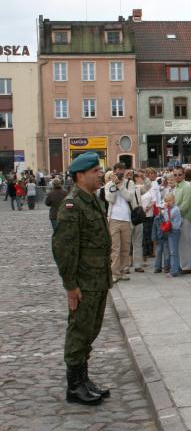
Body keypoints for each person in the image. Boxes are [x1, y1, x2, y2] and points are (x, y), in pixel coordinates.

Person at [51, 152, 111, 406]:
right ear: (80, 175)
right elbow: (64, 249)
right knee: (79, 331)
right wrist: (71, 286)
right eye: (95, 171)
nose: (100, 174)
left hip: (98, 278)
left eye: (99, 170)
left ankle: (84, 379)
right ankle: (74, 386)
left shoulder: (92, 200)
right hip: (84, 281)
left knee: (91, 329)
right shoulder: (72, 204)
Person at [104, 163, 135, 283]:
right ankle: (115, 273)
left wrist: (120, 185)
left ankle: (122, 271)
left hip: (126, 219)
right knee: (115, 248)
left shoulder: (129, 183)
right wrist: (114, 184)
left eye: (122, 170)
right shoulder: (109, 184)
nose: (120, 173)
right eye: (118, 171)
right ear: (114, 172)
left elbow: (129, 197)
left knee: (125, 247)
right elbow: (110, 199)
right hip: (114, 219)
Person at [173, 166, 191, 275]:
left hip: (184, 218)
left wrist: (173, 213)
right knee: (180, 243)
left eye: (179, 174)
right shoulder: (176, 186)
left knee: (185, 242)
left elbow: (185, 204)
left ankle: (187, 266)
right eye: (175, 174)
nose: (177, 176)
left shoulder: (187, 186)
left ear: (184, 175)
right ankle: (182, 265)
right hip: (177, 218)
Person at [160, 193, 182, 278]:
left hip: (174, 231)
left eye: (169, 201)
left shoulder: (175, 209)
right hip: (171, 231)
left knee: (173, 252)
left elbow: (167, 219)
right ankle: (178, 268)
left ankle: (174, 271)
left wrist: (165, 210)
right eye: (166, 201)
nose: (168, 202)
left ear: (173, 200)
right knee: (173, 251)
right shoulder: (168, 209)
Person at [131, 172, 145, 273]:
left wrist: (144, 177)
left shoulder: (137, 188)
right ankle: (126, 265)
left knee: (138, 242)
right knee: (126, 243)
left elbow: (148, 186)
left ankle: (137, 264)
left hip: (138, 216)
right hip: (127, 217)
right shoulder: (122, 189)